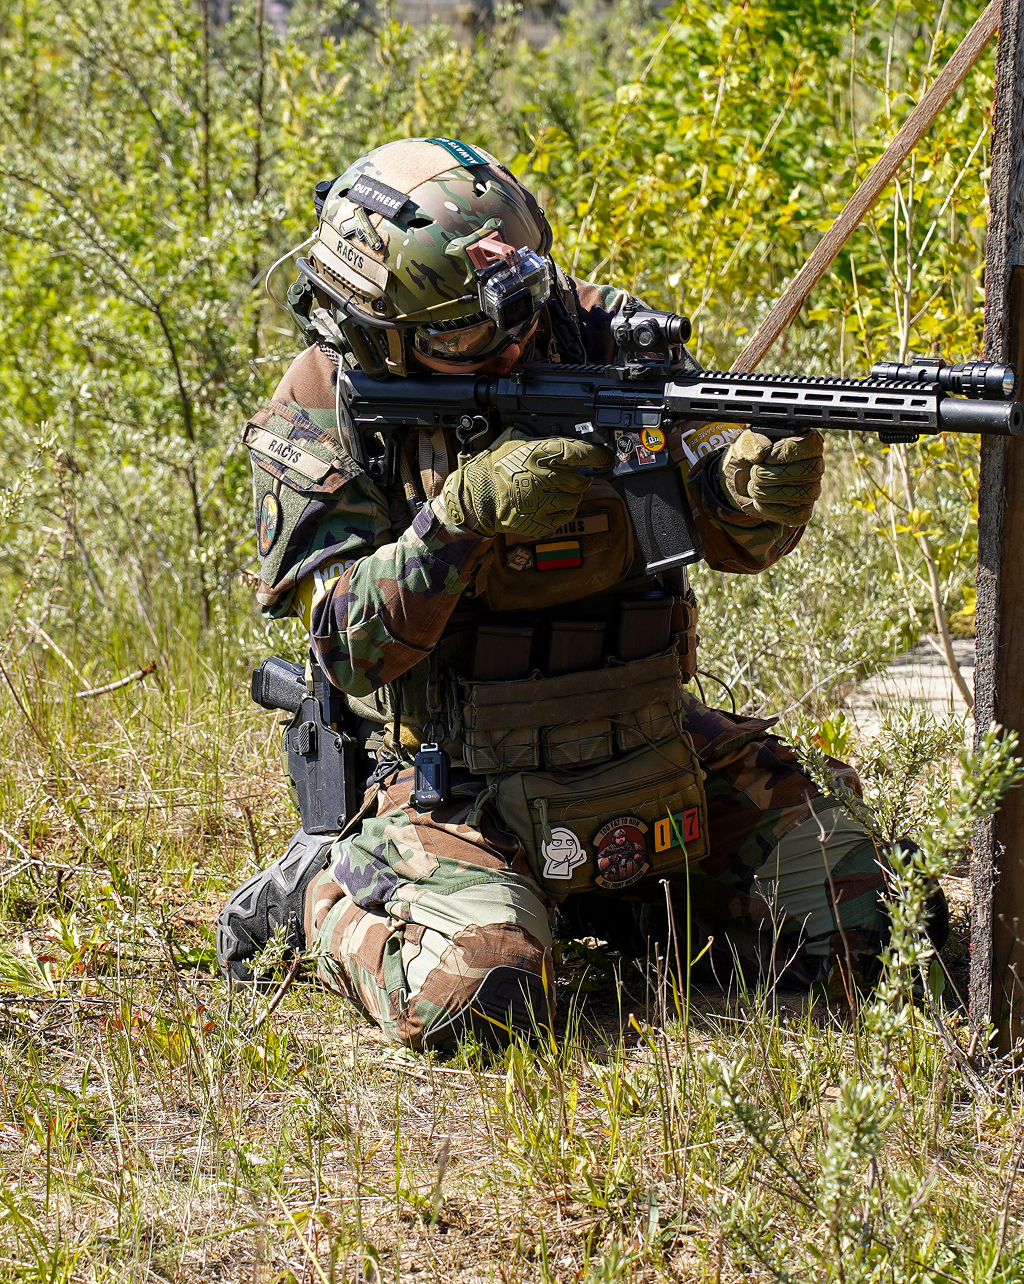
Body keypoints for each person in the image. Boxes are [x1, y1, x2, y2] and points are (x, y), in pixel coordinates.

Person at [217, 137, 939, 1050]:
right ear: (380, 327)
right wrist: (459, 519)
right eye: (464, 334)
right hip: (464, 781)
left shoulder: (599, 338)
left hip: (648, 747)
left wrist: (750, 492)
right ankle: (332, 896)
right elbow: (348, 650)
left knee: (878, 934)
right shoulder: (323, 403)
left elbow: (703, 530)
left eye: (519, 307)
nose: (513, 339)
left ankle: (632, 911)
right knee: (481, 1001)